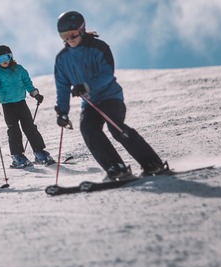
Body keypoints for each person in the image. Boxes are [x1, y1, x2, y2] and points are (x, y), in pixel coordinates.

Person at [53, 10, 167, 180]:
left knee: (116, 128)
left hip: (110, 97)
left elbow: (107, 73)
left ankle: (152, 163)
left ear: (82, 29)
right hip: (90, 103)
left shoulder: (98, 47)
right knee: (88, 128)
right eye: (64, 35)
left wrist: (85, 86)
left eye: (73, 33)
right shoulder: (62, 59)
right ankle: (115, 167)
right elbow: (62, 87)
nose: (69, 38)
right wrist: (62, 111)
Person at [0, 44, 55, 168]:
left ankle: (39, 153)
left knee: (30, 127)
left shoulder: (19, 69)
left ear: (10, 56)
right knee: (14, 131)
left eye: (6, 57)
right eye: (0, 59)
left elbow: (27, 83)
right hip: (8, 106)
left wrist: (35, 94)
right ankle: (17, 156)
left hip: (21, 103)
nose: (4, 61)